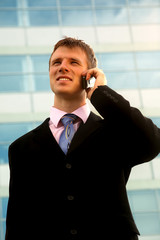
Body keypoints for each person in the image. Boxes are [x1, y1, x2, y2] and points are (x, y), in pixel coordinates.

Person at [5, 37, 160, 240]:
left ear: (89, 75)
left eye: (73, 62)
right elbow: (17, 223)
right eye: (56, 62)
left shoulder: (115, 133)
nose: (63, 67)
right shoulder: (21, 148)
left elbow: (153, 141)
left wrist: (101, 93)